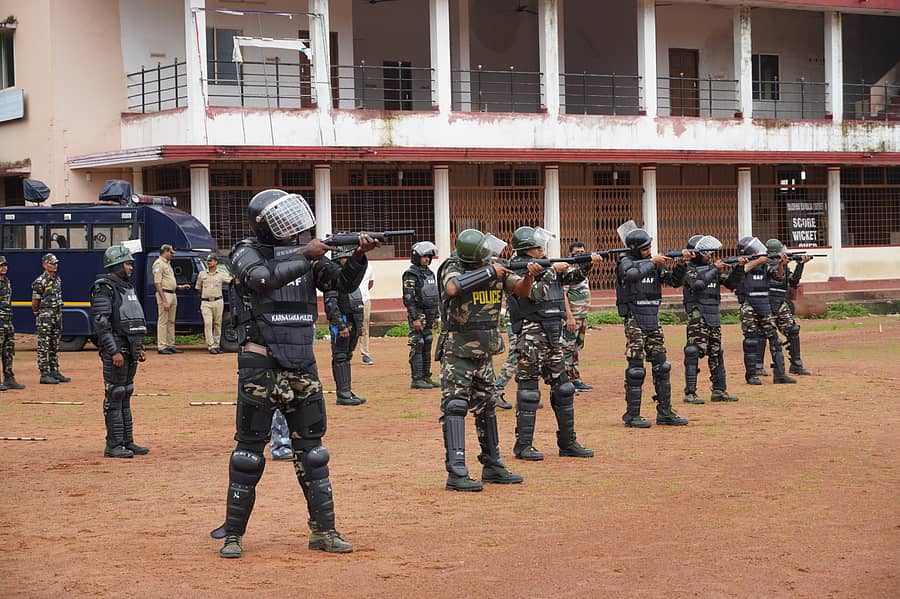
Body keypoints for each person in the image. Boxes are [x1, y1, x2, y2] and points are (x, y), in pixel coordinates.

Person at [218, 189, 378, 558]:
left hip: (302, 362)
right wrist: (306, 254)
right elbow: (260, 279)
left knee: (313, 453)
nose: (292, 228)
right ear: (263, 224)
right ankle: (233, 535)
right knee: (248, 454)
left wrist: (358, 256)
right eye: (282, 222)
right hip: (260, 363)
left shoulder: (308, 254)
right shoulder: (246, 251)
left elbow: (341, 283)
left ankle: (324, 531)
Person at [436, 228, 537, 491]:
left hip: (484, 351)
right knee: (455, 406)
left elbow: (522, 291)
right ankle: (456, 471)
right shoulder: (454, 267)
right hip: (457, 351)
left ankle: (492, 465)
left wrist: (529, 275)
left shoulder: (497, 268)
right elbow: (452, 287)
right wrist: (491, 271)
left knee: (487, 406)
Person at [507, 226, 601, 460]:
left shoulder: (546, 265)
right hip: (531, 336)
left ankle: (567, 442)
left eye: (542, 246)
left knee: (564, 389)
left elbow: (573, 277)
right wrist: (550, 271)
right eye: (537, 247)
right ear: (525, 250)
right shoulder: (517, 270)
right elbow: (534, 294)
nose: (542, 250)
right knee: (529, 392)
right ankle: (523, 445)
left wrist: (586, 264)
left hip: (552, 334)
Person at [614, 228, 688, 428]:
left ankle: (665, 412)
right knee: (636, 369)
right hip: (634, 318)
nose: (648, 251)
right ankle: (632, 415)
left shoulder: (653, 264)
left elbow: (673, 281)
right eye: (645, 248)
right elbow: (631, 275)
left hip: (652, 318)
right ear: (635, 249)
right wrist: (652, 262)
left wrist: (681, 264)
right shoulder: (625, 261)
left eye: (649, 247)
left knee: (662, 366)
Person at [90, 245, 150, 458]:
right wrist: (113, 350)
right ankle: (113, 445)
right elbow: (101, 323)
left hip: (129, 350)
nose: (131, 267)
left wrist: (139, 348)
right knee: (115, 394)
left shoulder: (126, 287)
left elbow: (132, 318)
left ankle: (127, 441)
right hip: (115, 351)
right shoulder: (103, 288)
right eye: (127, 264)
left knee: (126, 393)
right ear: (116, 265)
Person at [675, 235, 744, 405]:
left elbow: (731, 284)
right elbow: (698, 285)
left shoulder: (712, 269)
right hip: (698, 314)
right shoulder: (689, 269)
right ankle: (690, 393)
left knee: (716, 352)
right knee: (693, 351)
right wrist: (714, 268)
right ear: (696, 254)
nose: (710, 256)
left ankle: (719, 390)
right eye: (706, 253)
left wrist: (739, 268)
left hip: (713, 314)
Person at [735, 236, 796, 385]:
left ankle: (780, 374)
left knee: (775, 339)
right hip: (749, 306)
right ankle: (752, 375)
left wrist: (781, 264)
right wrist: (758, 261)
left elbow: (778, 276)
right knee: (751, 341)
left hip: (764, 305)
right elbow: (742, 271)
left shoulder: (764, 266)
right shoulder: (741, 264)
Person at [324, 246, 368, 406]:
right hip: (342, 323)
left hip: (353, 322)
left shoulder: (352, 277)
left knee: (347, 356)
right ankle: (343, 393)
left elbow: (357, 301)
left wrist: (360, 324)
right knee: (340, 357)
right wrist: (340, 326)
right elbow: (331, 305)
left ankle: (347, 390)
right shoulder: (333, 277)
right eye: (346, 258)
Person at [764, 239, 812, 376]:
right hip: (766, 302)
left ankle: (796, 364)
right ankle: (757, 367)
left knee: (793, 330)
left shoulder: (784, 265)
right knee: (763, 334)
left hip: (780, 302)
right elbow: (773, 275)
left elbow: (793, 282)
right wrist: (780, 264)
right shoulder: (763, 264)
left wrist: (800, 265)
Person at [402, 241, 440, 389]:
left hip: (430, 313)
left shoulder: (429, 273)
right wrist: (414, 318)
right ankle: (416, 379)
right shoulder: (411, 274)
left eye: (429, 257)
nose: (427, 259)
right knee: (418, 343)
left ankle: (426, 376)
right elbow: (408, 298)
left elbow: (434, 295)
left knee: (428, 342)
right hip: (418, 313)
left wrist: (436, 316)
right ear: (417, 257)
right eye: (424, 256)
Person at [32, 253, 70, 385]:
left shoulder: (57, 279)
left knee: (55, 344)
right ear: (44, 265)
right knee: (44, 345)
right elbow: (35, 301)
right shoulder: (40, 281)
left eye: (56, 263)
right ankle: (44, 373)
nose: (55, 265)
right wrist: (37, 314)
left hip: (57, 315)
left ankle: (54, 371)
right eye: (52, 263)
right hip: (45, 317)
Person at [561, 241, 594, 392]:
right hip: (572, 317)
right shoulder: (568, 271)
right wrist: (569, 317)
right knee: (567, 349)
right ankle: (565, 381)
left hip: (582, 316)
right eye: (577, 252)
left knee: (575, 349)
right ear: (570, 254)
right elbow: (563, 295)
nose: (580, 254)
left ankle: (576, 379)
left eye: (582, 252)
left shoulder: (583, 272)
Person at [153, 243, 190, 354]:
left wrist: (179, 287)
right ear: (165, 252)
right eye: (171, 252)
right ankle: (162, 346)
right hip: (165, 294)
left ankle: (170, 344)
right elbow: (157, 283)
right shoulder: (159, 264)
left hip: (172, 293)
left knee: (171, 321)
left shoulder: (167, 264)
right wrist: (164, 300)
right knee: (163, 321)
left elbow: (169, 281)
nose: (172, 255)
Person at [195, 253, 233, 354]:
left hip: (218, 301)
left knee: (217, 323)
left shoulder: (221, 274)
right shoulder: (202, 274)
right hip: (206, 302)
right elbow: (198, 287)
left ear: (216, 262)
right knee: (208, 323)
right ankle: (210, 346)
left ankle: (216, 345)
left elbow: (231, 281)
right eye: (208, 260)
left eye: (211, 260)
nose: (209, 262)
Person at [0, 256, 25, 391]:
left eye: (5, 265)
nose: (3, 268)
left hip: (7, 320)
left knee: (8, 350)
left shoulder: (7, 281)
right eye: (1, 265)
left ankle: (9, 378)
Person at [491, 304, 516, 409]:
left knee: (526, 356)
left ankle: (525, 393)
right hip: (515, 317)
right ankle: (497, 390)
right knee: (515, 355)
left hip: (527, 318)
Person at [358, 259, 374, 365]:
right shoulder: (349, 265)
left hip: (365, 299)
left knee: (364, 326)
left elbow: (371, 283)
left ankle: (365, 354)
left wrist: (363, 292)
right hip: (350, 299)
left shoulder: (369, 266)